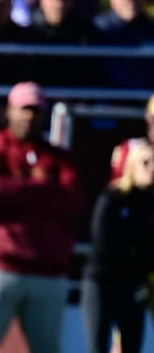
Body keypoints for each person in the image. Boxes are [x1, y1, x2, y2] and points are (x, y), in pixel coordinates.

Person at [0, 81, 85, 353]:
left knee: (47, 348)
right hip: (1, 268)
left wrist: (16, 192)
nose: (29, 116)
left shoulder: (59, 157)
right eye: (24, 109)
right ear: (9, 110)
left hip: (49, 271)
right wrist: (44, 192)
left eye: (35, 110)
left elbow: (73, 202)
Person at [81, 140, 154, 353]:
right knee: (98, 347)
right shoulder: (112, 199)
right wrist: (138, 252)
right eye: (146, 162)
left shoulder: (150, 203)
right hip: (102, 284)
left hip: (133, 286)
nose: (152, 168)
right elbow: (105, 245)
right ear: (131, 165)